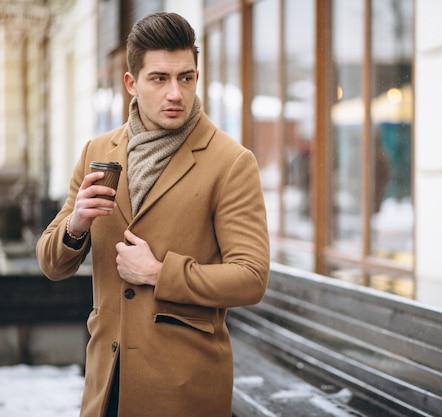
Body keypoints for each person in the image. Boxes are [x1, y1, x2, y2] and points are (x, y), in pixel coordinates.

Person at [36, 12, 270, 417]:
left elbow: (251, 277)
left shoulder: (231, 162)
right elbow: (52, 264)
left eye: (186, 77)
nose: (176, 93)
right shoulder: (97, 152)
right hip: (107, 383)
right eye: (159, 78)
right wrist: (76, 225)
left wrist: (160, 273)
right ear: (132, 83)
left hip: (184, 389)